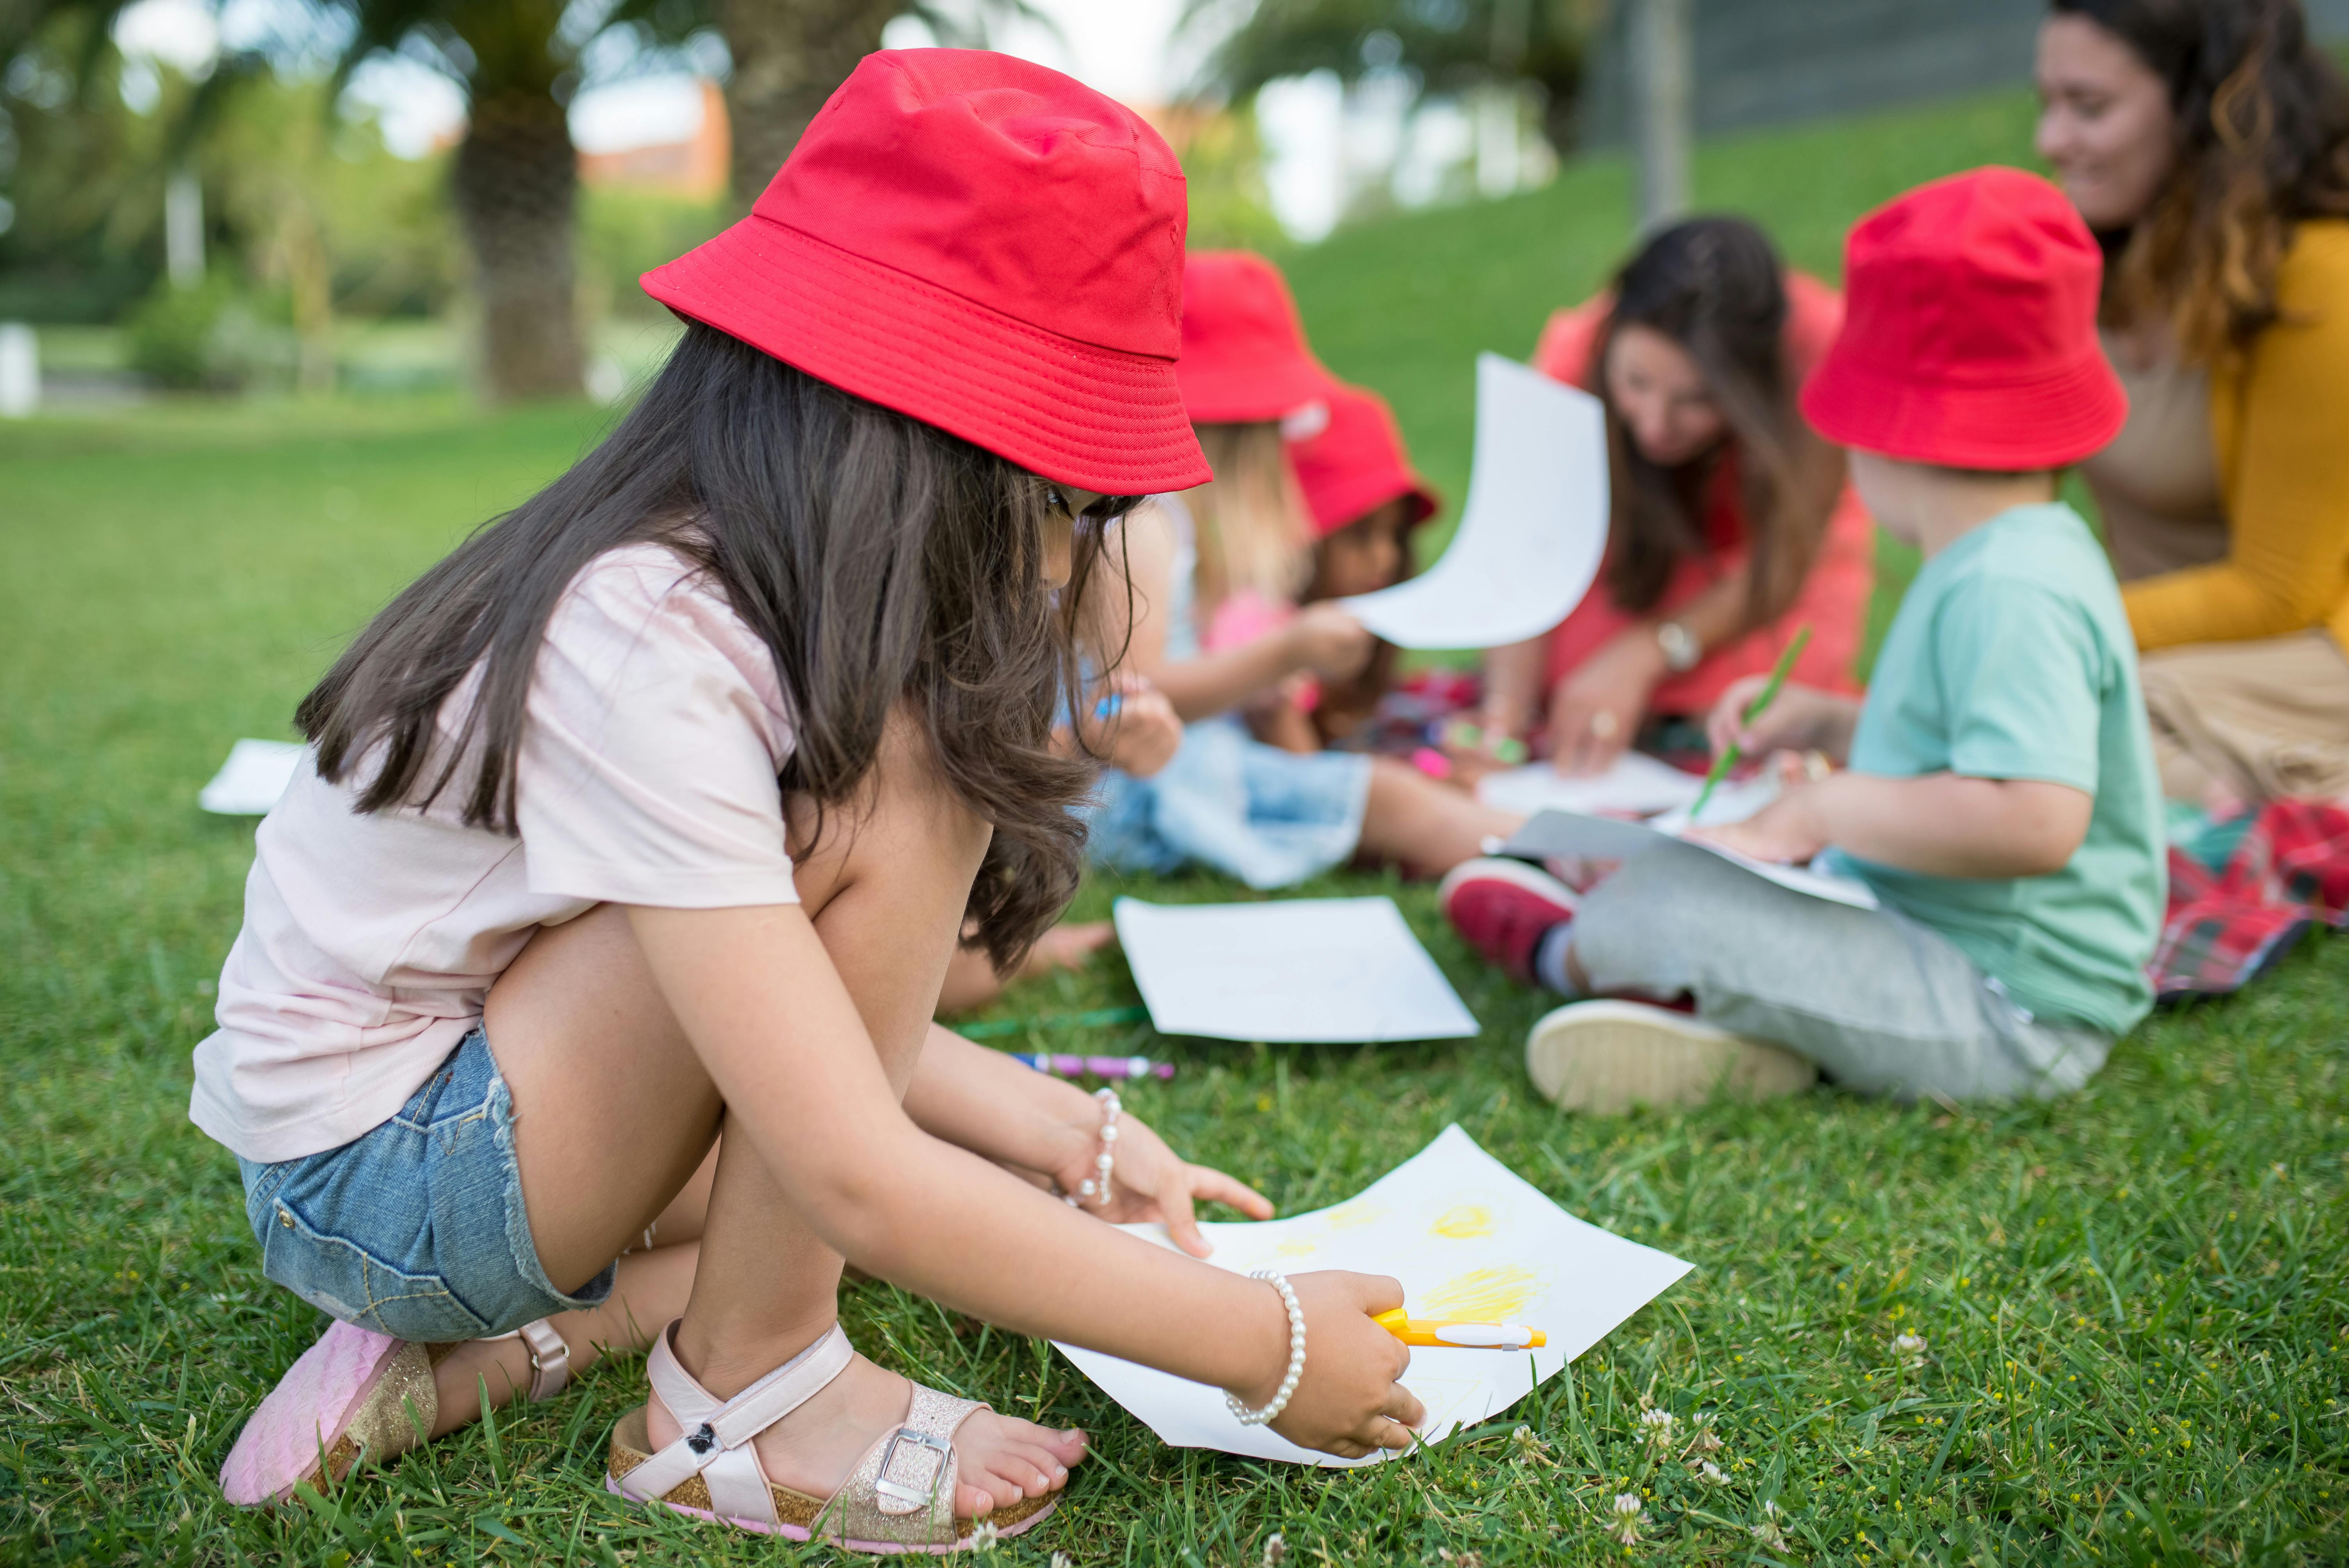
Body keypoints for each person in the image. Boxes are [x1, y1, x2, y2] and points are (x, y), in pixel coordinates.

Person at [202, 53, 1424, 1552]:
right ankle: (747, 1394)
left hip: (482, 1093)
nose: (1061, 545)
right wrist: (1262, 1345)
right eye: (1060, 492)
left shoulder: (737, 582)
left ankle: (502, 1355)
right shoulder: (652, 631)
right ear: (932, 448)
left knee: (879, 1163)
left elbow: (784, 1011)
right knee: (896, 845)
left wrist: (1064, 1135)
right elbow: (845, 1158)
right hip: (381, 1173)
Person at [1438, 169, 2165, 1114]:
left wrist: (1823, 814)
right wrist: (1827, 724)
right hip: (1935, 943)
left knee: (1662, 903)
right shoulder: (2001, 557)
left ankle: (1564, 951)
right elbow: (1968, 759)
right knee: (1701, 854)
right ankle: (1753, 1035)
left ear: (1890, 433)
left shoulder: (2006, 585)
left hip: (2008, 1013)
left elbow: (2032, 817)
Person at [1087, 251, 1521, 887]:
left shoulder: (1179, 529)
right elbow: (1130, 699)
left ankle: (1523, 845)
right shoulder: (1144, 525)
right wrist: (1283, 652)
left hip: (1188, 769)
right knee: (1380, 795)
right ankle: (1551, 853)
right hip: (1136, 795)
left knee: (1365, 792)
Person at [2037, 0, 2349, 807]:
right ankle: (2239, 816)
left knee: (2066, 724)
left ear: (2205, 106)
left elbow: (2279, 590)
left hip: (2311, 654)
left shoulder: (2319, 276)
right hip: (2165, 657)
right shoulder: (2091, 263)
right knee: (2026, 717)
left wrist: (2048, 623)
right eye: (2047, 105)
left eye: (2088, 106)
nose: (2049, 142)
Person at [1464, 217, 1870, 778]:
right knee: (1575, 682)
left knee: (1757, 710)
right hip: (1633, 561)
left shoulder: (1821, 347)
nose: (1656, 425)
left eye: (1697, 399)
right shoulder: (1573, 356)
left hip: (1766, 577)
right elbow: (1525, 550)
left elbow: (1786, 562)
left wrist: (1647, 653)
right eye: (1635, 383)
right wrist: (1503, 720)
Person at [1257, 381, 1441, 754]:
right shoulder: (1266, 650)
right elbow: (1315, 785)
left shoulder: (1362, 639)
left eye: (1396, 534)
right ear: (1305, 544)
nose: (1386, 558)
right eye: (1359, 535)